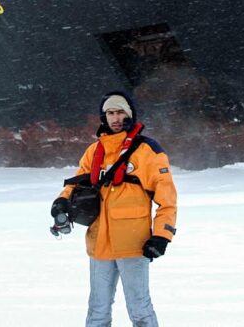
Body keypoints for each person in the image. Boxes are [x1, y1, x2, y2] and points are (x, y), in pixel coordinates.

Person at [50, 91, 177, 327]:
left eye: (120, 112)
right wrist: (62, 201)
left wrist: (162, 235)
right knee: (97, 311)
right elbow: (76, 183)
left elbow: (167, 200)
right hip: (99, 243)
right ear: (104, 117)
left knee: (139, 309)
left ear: (130, 115)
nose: (115, 118)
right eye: (110, 113)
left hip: (134, 244)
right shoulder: (94, 151)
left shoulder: (149, 151)